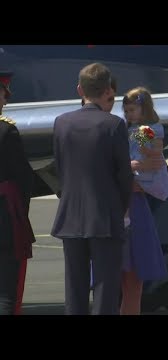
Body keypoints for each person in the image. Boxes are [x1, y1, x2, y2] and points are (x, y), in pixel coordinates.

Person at [51, 63, 133, 315]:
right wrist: (120, 209)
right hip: (105, 218)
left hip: (70, 217)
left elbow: (59, 169)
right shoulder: (114, 125)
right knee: (105, 288)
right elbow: (124, 175)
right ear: (108, 90)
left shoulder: (61, 123)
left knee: (74, 289)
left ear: (79, 89)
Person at [120, 86, 168, 315]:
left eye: (132, 110)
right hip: (137, 175)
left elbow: (155, 151)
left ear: (143, 109)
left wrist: (144, 152)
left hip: (145, 177)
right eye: (126, 110)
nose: (129, 114)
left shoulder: (145, 129)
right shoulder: (131, 128)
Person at [0, 71, 36, 315]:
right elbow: (23, 179)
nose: (5, 101)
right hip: (4, 217)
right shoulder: (6, 131)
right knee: (5, 292)